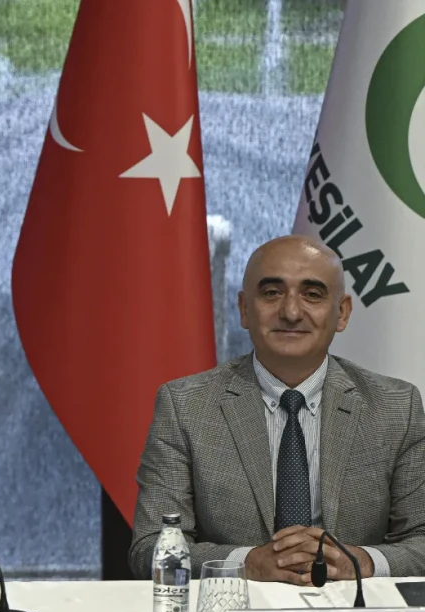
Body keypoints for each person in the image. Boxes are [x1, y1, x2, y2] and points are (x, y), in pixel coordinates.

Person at [131, 234, 425, 583]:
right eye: (272, 293)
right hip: (234, 609)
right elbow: (151, 548)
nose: (291, 312)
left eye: (312, 294)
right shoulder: (185, 405)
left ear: (342, 312)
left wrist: (360, 562)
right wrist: (247, 563)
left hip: (352, 610)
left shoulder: (396, 406)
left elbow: (421, 540)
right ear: (244, 309)